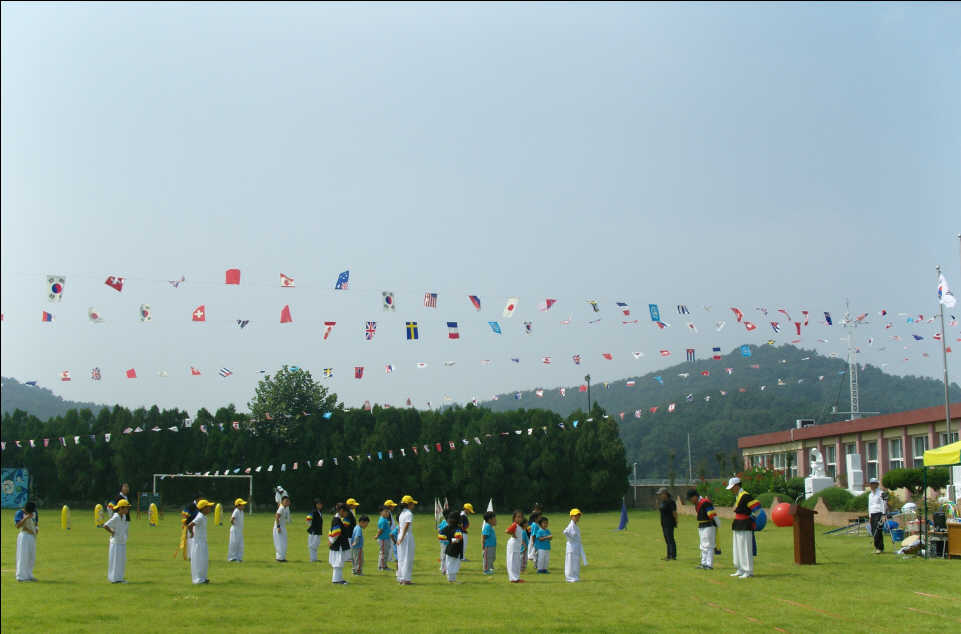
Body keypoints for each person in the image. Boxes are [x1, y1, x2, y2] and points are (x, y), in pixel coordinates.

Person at [727, 476, 761, 579]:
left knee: (745, 548)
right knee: (737, 547)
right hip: (738, 523)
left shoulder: (746, 496)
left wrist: (752, 518)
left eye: (732, 487)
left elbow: (757, 509)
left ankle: (748, 570)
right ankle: (740, 568)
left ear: (737, 486)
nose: (731, 490)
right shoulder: (738, 496)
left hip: (745, 523)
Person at [686, 489, 717, 570]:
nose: (690, 501)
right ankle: (704, 563)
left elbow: (712, 515)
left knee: (709, 545)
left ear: (695, 497)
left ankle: (709, 564)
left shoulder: (705, 502)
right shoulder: (698, 503)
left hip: (708, 525)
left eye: (690, 499)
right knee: (703, 546)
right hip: (702, 525)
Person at [103, 498, 131, 582]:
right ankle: (114, 579)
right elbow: (105, 525)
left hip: (122, 542)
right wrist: (112, 532)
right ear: (121, 508)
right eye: (126, 508)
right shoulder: (116, 517)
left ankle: (120, 578)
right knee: (115, 562)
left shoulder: (124, 516)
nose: (127, 510)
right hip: (115, 543)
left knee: (121, 562)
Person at [187, 499, 215, 584]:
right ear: (203, 508)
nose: (210, 509)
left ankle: (203, 577)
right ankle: (198, 579)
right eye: (208, 507)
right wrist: (192, 533)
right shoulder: (200, 517)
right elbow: (190, 525)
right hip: (198, 542)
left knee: (204, 561)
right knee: (199, 561)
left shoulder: (203, 516)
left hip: (202, 542)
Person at [395, 495, 417, 585]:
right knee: (407, 557)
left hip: (401, 536)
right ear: (409, 504)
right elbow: (406, 526)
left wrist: (399, 537)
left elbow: (401, 527)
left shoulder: (401, 513)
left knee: (401, 557)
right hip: (406, 536)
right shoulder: (408, 514)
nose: (414, 505)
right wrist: (403, 537)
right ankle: (406, 579)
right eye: (412, 503)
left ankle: (401, 577)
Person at [15, 501, 39, 582]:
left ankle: (29, 575)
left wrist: (36, 529)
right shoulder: (20, 513)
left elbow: (35, 523)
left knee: (31, 557)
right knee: (23, 556)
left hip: (32, 536)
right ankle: (21, 577)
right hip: (24, 536)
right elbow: (17, 525)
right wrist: (26, 517)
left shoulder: (34, 512)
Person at [328, 503, 352, 584]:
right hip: (338, 545)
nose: (347, 514)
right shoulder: (336, 520)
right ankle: (336, 580)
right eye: (346, 512)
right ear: (341, 511)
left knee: (339, 562)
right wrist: (331, 541)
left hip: (338, 544)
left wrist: (330, 540)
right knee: (337, 562)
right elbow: (336, 533)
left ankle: (339, 578)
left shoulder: (337, 519)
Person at [440, 512, 464, 582]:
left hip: (448, 549)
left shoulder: (446, 528)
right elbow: (458, 539)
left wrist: (447, 541)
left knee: (450, 563)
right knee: (453, 564)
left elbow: (440, 537)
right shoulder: (457, 529)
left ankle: (452, 578)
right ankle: (451, 579)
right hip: (455, 549)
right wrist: (452, 540)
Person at [867, 477, 888, 554]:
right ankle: (877, 547)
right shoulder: (870, 495)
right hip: (872, 514)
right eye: (871, 484)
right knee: (873, 531)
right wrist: (869, 516)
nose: (872, 485)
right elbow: (869, 506)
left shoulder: (881, 493)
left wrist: (883, 514)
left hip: (879, 513)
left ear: (877, 484)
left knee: (878, 530)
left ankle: (880, 547)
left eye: (873, 484)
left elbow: (884, 504)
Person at [563, 508, 585, 583]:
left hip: (576, 547)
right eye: (575, 516)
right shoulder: (571, 526)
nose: (577, 517)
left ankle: (575, 576)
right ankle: (569, 577)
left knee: (575, 562)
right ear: (571, 516)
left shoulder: (575, 526)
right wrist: (570, 538)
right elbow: (565, 532)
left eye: (578, 516)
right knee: (570, 563)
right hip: (571, 547)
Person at [505, 510, 525, 583]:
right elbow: (507, 531)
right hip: (513, 545)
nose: (519, 519)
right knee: (512, 561)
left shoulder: (519, 526)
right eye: (518, 517)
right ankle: (513, 578)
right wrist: (513, 534)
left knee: (516, 562)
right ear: (514, 518)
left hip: (517, 546)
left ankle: (516, 577)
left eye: (521, 517)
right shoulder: (514, 525)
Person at [657, 487, 678, 561]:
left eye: (661, 494)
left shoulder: (671, 502)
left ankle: (673, 556)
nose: (659, 496)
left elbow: (674, 512)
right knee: (667, 540)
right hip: (664, 523)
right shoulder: (663, 502)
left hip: (669, 523)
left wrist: (676, 521)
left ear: (665, 494)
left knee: (670, 539)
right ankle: (668, 555)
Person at [274, 495, 291, 562]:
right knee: (280, 542)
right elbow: (277, 517)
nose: (287, 502)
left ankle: (282, 557)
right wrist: (278, 527)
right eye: (286, 501)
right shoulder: (281, 508)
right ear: (282, 502)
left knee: (283, 542)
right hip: (279, 527)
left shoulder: (284, 508)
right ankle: (279, 558)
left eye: (288, 501)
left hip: (283, 527)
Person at [376, 505, 392, 571]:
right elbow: (381, 530)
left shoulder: (385, 519)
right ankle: (381, 566)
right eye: (385, 512)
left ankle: (384, 565)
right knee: (383, 553)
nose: (387, 513)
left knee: (386, 552)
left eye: (388, 512)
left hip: (386, 538)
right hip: (383, 539)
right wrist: (377, 535)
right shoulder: (382, 520)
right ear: (381, 512)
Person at [481, 511, 497, 575]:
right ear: (490, 520)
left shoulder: (490, 527)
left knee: (492, 557)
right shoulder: (487, 526)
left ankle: (490, 567)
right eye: (494, 519)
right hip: (488, 546)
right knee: (487, 557)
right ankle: (486, 570)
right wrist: (483, 545)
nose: (496, 520)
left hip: (492, 546)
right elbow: (483, 536)